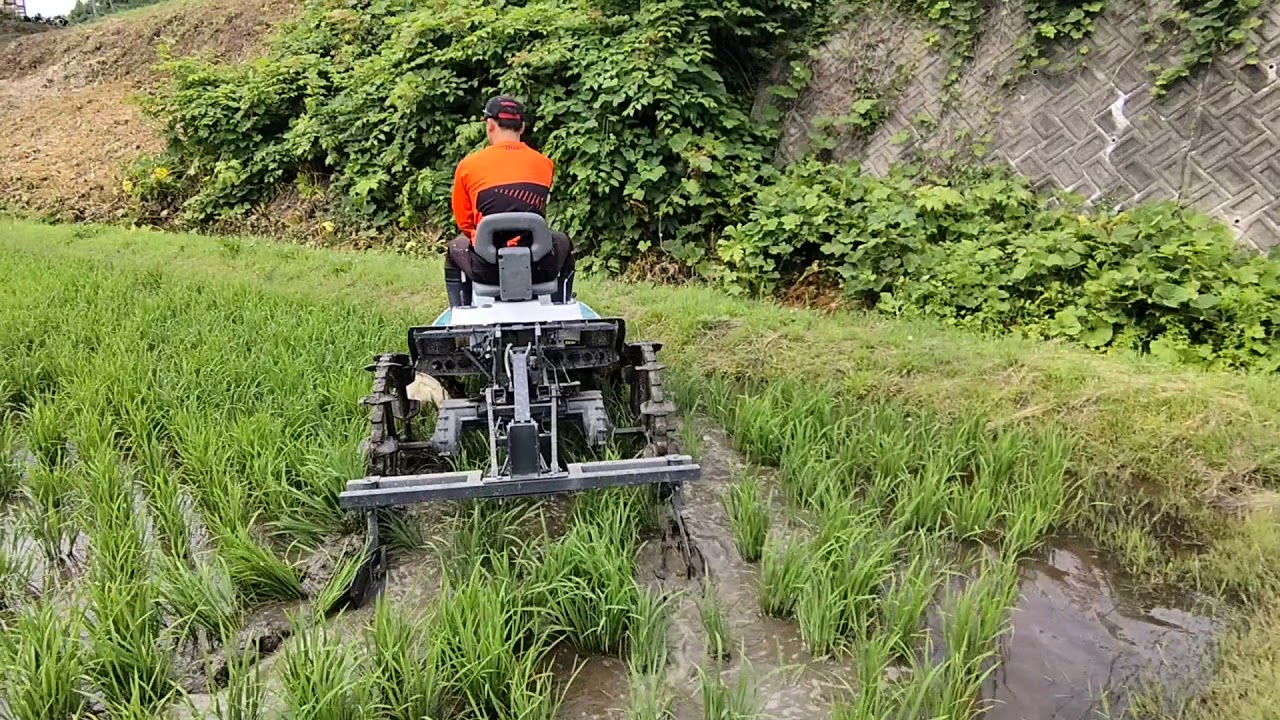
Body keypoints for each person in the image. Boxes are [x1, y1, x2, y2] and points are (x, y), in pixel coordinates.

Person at [445, 95, 576, 307]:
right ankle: (561, 305)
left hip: (487, 268)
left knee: (455, 247)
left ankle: (461, 311)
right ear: (522, 127)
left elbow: (465, 223)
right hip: (538, 267)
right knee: (563, 241)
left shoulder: (469, 166)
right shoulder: (544, 164)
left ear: (489, 125)